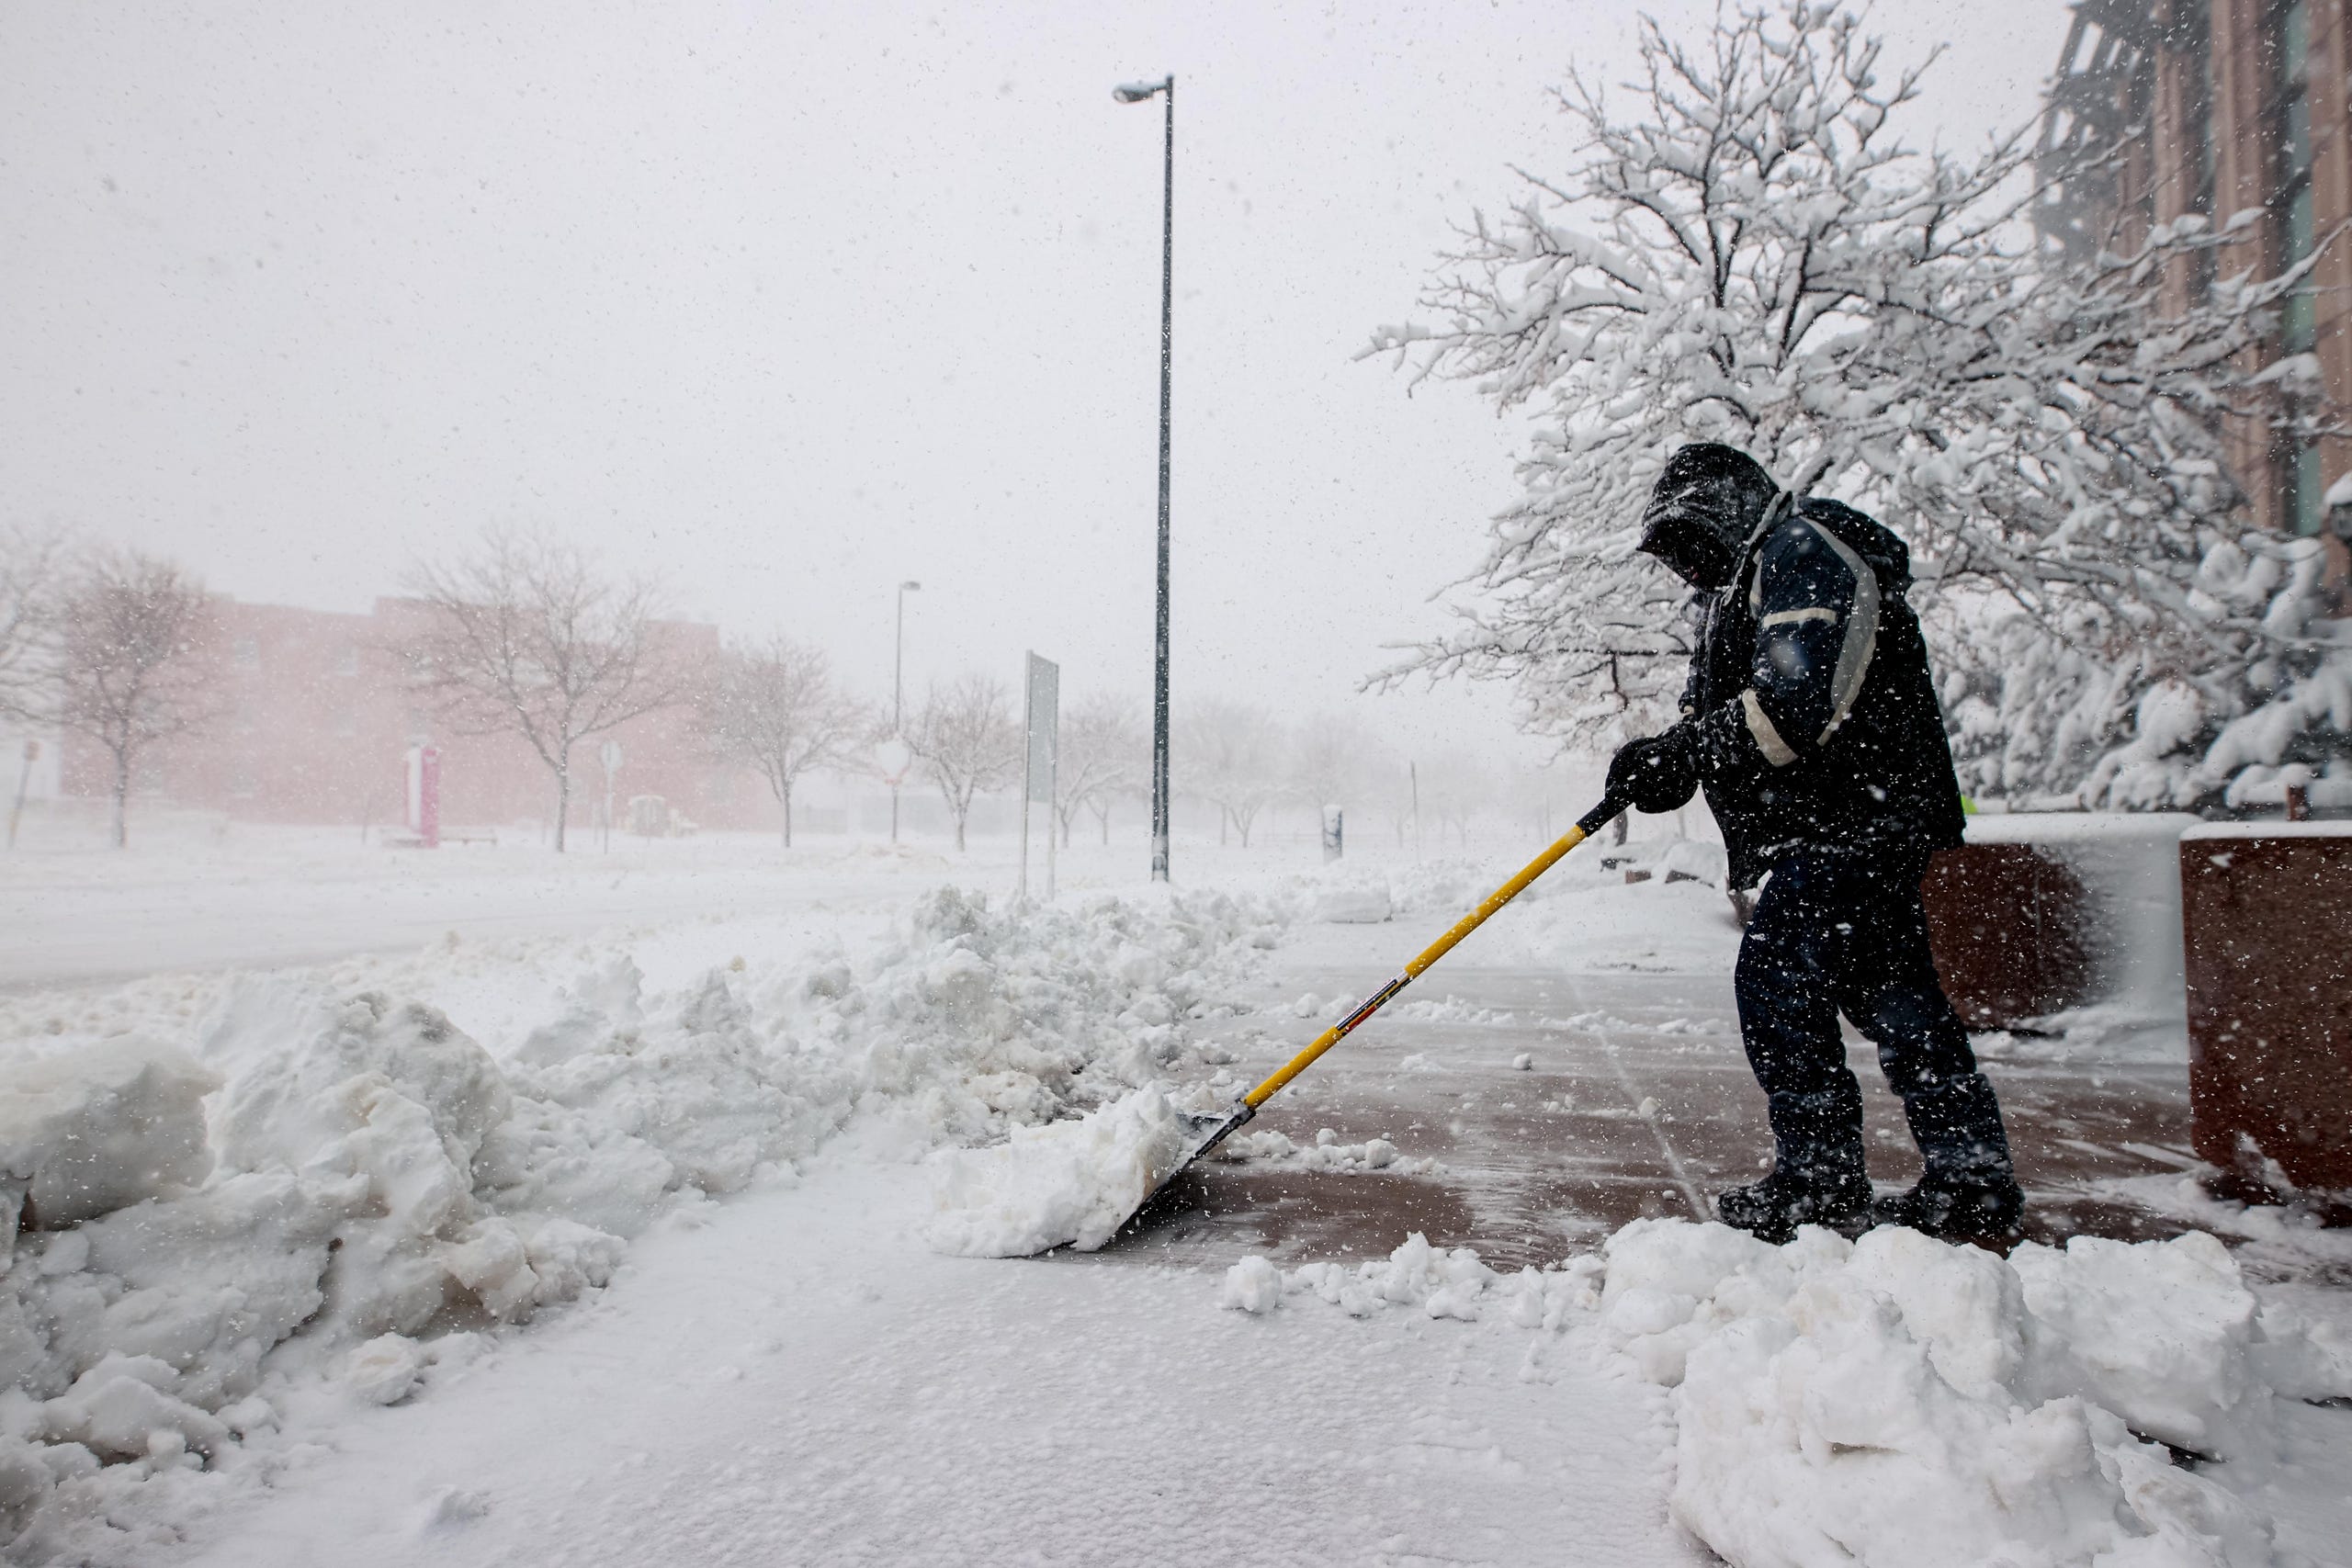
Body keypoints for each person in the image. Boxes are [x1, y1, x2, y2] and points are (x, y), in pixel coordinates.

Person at [1606, 442, 2025, 1244]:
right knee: (1898, 1004)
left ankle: (1820, 1180)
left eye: (1690, 542)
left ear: (1728, 510)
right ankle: (1972, 1177)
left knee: (1778, 985)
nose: (1685, 568)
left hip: (1853, 822)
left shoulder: (1801, 552)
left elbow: (1797, 700)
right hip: (1854, 823)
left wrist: (1691, 751)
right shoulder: (1749, 581)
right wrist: (1665, 762)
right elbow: (1730, 718)